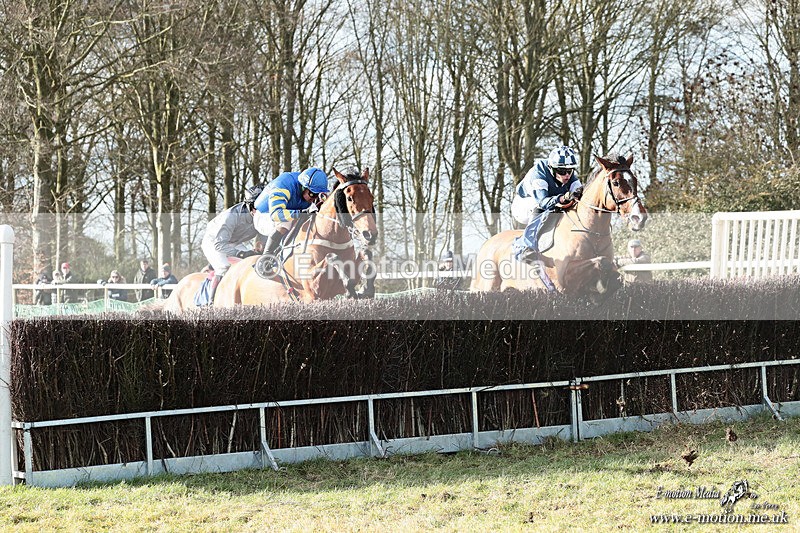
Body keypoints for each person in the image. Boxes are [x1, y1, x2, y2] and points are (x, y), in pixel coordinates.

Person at [511, 146, 583, 264]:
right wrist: (562, 198)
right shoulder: (538, 175)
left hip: (548, 200)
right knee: (541, 208)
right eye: (561, 171)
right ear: (551, 168)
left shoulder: (569, 175)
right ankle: (525, 247)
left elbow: (582, 195)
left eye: (570, 171)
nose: (567, 175)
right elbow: (543, 202)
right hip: (524, 204)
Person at [253, 167, 330, 269]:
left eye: (317, 195)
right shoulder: (283, 185)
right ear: (303, 187)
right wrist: (299, 213)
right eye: (312, 194)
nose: (314, 198)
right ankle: (265, 259)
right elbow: (276, 214)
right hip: (264, 215)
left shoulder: (308, 193)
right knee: (286, 223)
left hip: (288, 211)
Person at [200, 185, 266, 303]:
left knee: (253, 262)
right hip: (214, 241)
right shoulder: (231, 216)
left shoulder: (262, 216)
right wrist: (241, 254)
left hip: (234, 242)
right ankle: (211, 303)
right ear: (251, 206)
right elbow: (219, 245)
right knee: (224, 267)